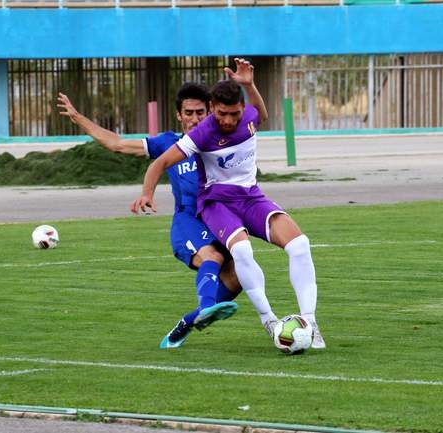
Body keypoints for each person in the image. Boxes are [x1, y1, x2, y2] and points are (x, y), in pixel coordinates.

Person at [131, 58, 325, 349]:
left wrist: (249, 85)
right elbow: (160, 162)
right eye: (222, 113)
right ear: (212, 108)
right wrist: (147, 193)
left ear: (241, 109)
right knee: (242, 250)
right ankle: (269, 320)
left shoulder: (248, 117)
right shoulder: (202, 133)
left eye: (234, 114)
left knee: (300, 244)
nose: (228, 121)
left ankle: (310, 323)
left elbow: (261, 114)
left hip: (250, 197)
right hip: (216, 203)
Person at [57, 83, 242, 349]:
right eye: (188, 113)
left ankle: (188, 322)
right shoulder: (169, 144)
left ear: (210, 112)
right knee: (212, 257)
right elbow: (117, 144)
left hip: (218, 220)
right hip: (188, 222)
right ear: (179, 115)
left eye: (200, 112)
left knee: (238, 278)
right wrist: (78, 118)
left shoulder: (222, 141)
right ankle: (206, 307)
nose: (195, 119)